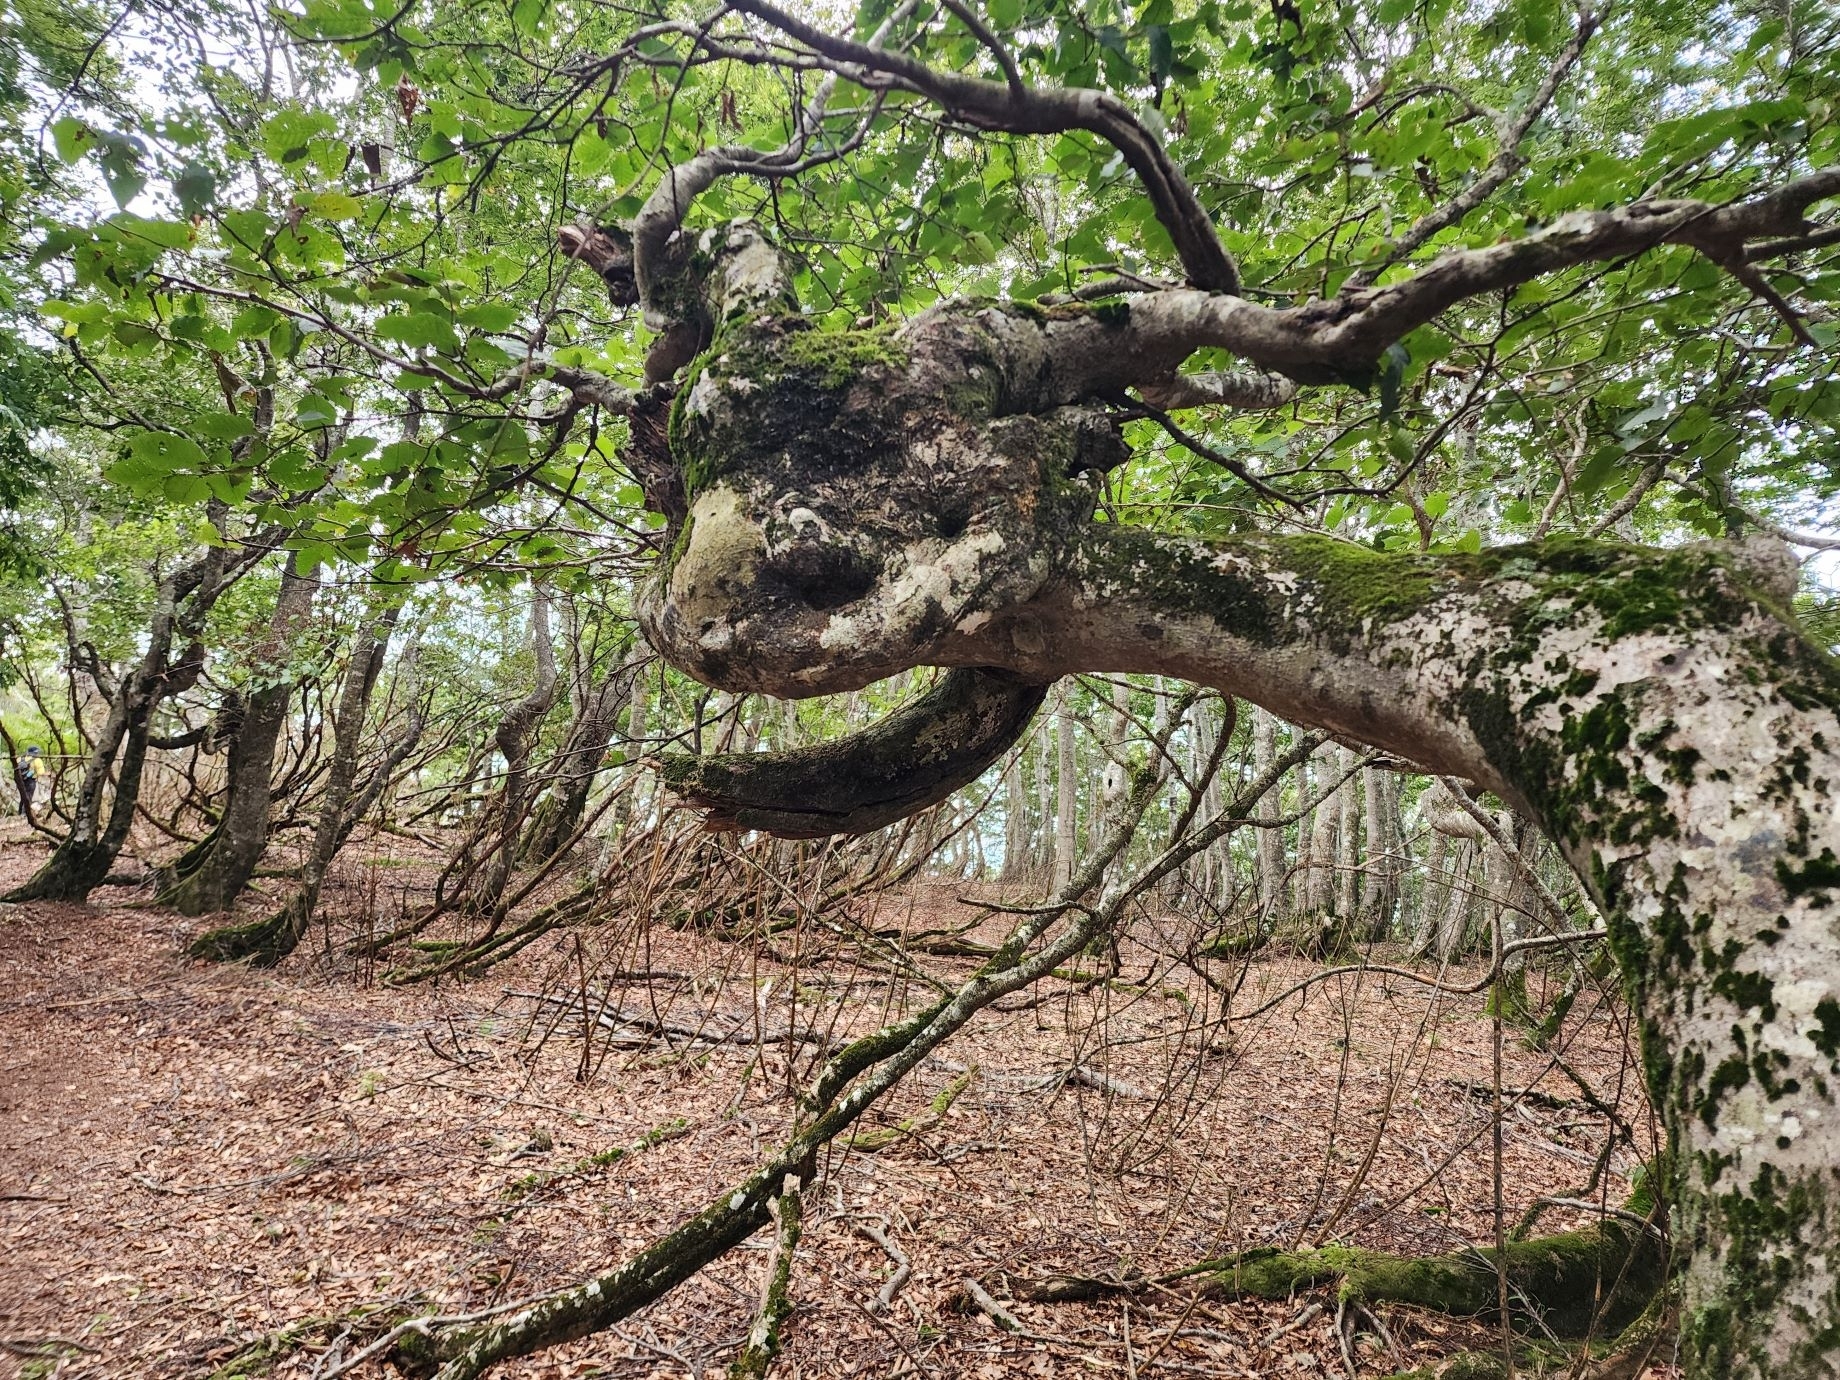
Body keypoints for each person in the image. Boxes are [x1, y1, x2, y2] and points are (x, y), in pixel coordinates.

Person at [15, 746, 44, 817]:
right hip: (30, 781)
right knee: (28, 796)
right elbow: (41, 772)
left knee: (23, 796)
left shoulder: (19, 758)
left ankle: (20, 812)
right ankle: (25, 813)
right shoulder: (37, 760)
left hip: (19, 780)